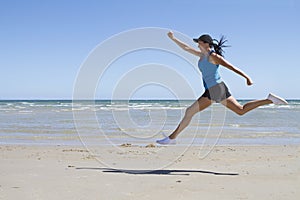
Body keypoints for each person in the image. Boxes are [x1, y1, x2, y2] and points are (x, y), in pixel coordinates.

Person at [156, 31, 288, 145]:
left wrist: (247, 77)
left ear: (206, 44)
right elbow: (186, 48)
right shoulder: (202, 56)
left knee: (190, 111)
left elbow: (231, 67)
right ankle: (269, 100)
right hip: (217, 88)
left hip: (215, 89)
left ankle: (172, 138)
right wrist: (173, 39)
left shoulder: (214, 57)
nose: (197, 44)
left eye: (200, 42)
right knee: (240, 110)